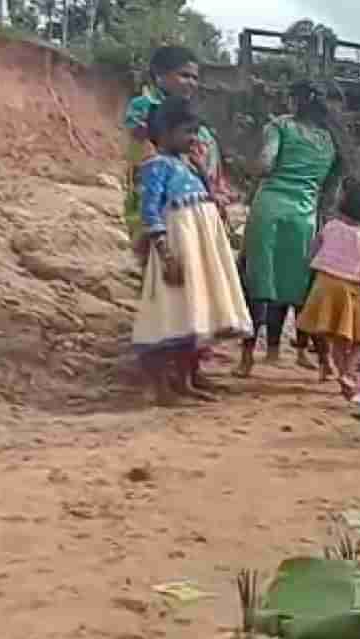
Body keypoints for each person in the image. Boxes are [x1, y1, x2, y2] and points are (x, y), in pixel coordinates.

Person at [124, 46, 235, 392]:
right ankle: (159, 372)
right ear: (159, 75)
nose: (191, 82)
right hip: (166, 216)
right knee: (164, 292)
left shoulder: (187, 122)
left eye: (195, 77)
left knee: (197, 295)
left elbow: (205, 163)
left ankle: (190, 370)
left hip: (196, 216)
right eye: (184, 74)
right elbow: (144, 154)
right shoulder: (147, 110)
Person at [130, 97, 251, 405]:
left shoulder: (187, 166)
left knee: (193, 314)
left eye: (195, 132)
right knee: (170, 312)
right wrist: (164, 250)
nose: (194, 139)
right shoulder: (155, 166)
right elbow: (150, 211)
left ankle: (184, 383)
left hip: (199, 247)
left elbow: (209, 198)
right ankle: (162, 388)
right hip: (178, 247)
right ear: (165, 132)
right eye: (187, 132)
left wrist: (200, 169)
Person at [236, 80, 347, 377]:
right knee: (303, 291)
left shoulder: (280, 126)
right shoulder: (330, 141)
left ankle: (246, 359)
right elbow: (329, 195)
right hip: (304, 218)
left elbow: (266, 164)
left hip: (269, 208)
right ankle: (325, 364)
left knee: (257, 282)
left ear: (296, 100)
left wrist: (248, 164)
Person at [296, 179, 360, 398]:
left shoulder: (330, 226)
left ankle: (344, 376)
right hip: (349, 288)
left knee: (339, 338)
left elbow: (310, 254)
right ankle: (348, 372)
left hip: (323, 285)